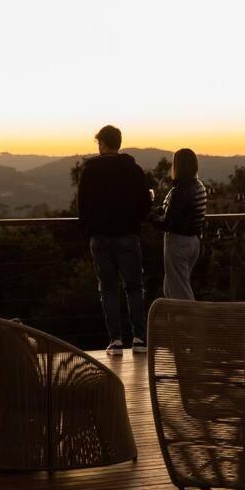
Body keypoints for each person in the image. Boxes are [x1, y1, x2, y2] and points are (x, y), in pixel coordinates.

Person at [77, 125, 152, 355]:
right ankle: (139, 339)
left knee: (108, 289)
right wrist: (135, 222)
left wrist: (89, 229)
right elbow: (145, 203)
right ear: (118, 143)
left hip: (100, 237)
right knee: (134, 287)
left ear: (102, 144)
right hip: (127, 235)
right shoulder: (133, 169)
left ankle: (116, 341)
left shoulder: (89, 170)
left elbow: (82, 205)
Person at [153, 148, 206, 300]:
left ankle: (190, 322)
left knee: (180, 292)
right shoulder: (199, 187)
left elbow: (169, 223)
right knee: (171, 287)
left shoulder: (180, 190)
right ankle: (176, 321)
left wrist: (150, 217)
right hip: (193, 242)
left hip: (178, 243)